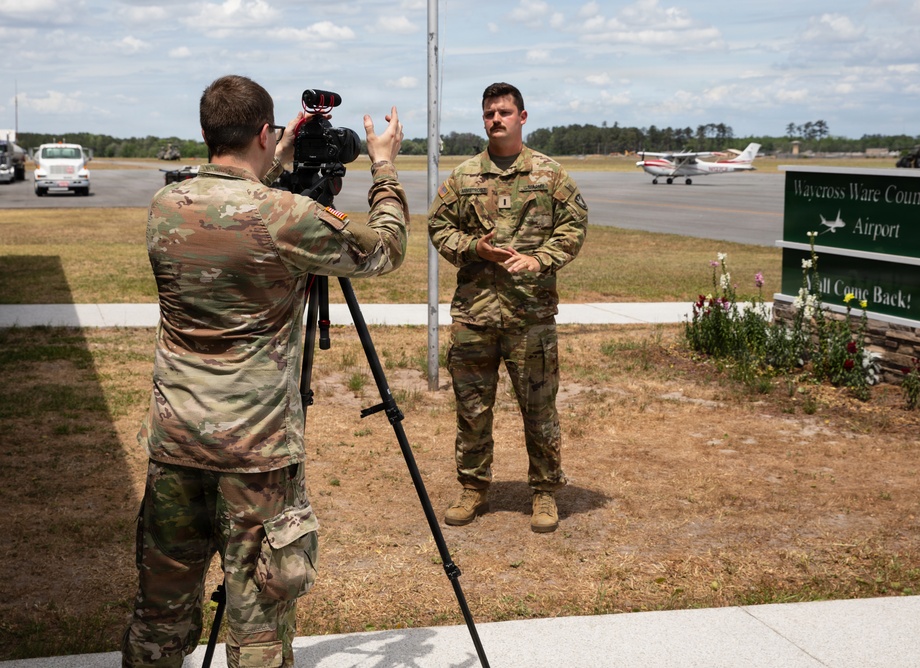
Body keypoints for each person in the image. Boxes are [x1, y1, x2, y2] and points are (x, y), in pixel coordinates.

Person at [121, 74, 408, 667]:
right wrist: (383, 168)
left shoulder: (165, 206)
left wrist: (271, 166)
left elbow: (230, 209)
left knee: (160, 613)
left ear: (205, 133)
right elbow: (385, 249)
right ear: (263, 131)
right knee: (259, 620)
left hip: (175, 441)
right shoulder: (285, 215)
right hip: (255, 453)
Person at [427, 82, 588, 533]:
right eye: (489, 113)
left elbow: (574, 227)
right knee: (472, 409)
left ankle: (544, 492)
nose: (496, 119)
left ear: (522, 116)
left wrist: (540, 259)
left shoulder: (549, 175)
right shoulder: (463, 177)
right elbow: (438, 227)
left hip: (530, 316)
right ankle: (473, 487)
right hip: (474, 315)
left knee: (539, 408)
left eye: (504, 112)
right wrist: (472, 247)